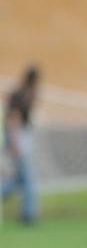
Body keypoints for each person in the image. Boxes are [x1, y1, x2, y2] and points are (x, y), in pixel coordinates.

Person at [2, 66, 41, 224]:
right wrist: (16, 142)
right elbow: (14, 118)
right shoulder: (24, 94)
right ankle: (29, 214)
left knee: (20, 179)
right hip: (19, 137)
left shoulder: (18, 93)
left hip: (16, 136)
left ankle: (28, 212)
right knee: (28, 177)